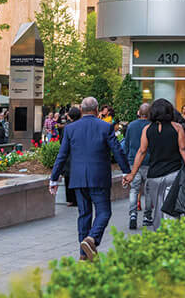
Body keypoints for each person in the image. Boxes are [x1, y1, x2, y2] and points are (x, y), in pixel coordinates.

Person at [49, 97, 130, 260]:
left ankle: (83, 254)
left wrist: (53, 179)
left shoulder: (70, 129)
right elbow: (117, 150)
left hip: (78, 177)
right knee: (104, 212)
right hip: (99, 177)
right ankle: (92, 239)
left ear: (81, 109)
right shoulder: (105, 127)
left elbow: (62, 155)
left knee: (84, 214)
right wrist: (126, 171)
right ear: (96, 109)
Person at [123, 98, 185, 231]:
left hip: (154, 176)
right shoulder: (177, 128)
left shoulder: (147, 129)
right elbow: (183, 149)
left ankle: (160, 234)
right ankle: (171, 235)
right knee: (171, 208)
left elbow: (142, 151)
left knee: (158, 210)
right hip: (173, 174)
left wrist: (132, 174)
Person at [124, 103, 152, 230]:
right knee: (148, 191)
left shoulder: (131, 126)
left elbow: (127, 144)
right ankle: (147, 217)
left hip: (133, 162)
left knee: (134, 190)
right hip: (149, 162)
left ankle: (133, 215)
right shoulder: (152, 126)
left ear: (139, 113)